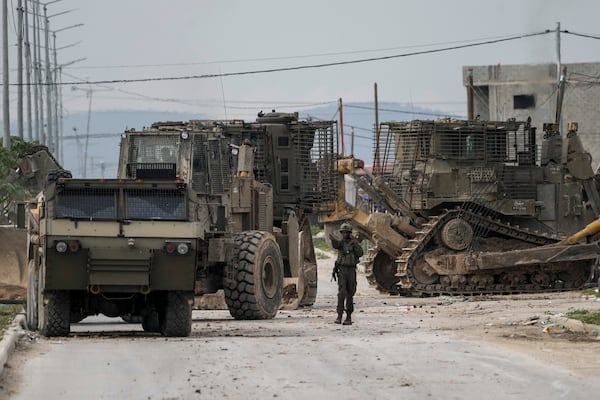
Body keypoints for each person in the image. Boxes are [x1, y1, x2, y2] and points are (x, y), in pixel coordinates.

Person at [329, 223, 363, 325]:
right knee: (342, 293)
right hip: (342, 270)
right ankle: (339, 315)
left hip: (351, 270)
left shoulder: (354, 244)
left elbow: (360, 253)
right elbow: (336, 245)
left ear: (349, 233)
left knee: (350, 293)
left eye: (346, 232)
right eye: (342, 232)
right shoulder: (341, 244)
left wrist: (355, 242)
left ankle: (348, 316)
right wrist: (332, 239)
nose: (344, 234)